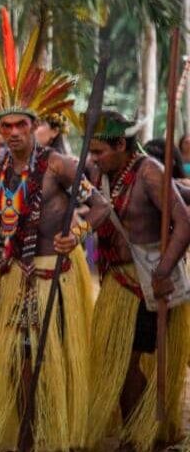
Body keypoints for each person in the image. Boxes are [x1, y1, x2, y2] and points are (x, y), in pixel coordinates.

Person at [0, 8, 110, 451]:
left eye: (22, 124)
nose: (14, 132)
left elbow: (101, 206)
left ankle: (45, 430)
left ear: (35, 125)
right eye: (6, 126)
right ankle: (23, 426)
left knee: (49, 358)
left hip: (53, 273)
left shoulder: (59, 166)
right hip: (12, 276)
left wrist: (77, 234)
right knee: (13, 359)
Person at [85, 111, 190, 451]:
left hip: (147, 284)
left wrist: (163, 272)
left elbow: (184, 222)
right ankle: (143, 432)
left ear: (121, 145)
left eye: (99, 151)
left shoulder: (149, 172)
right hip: (116, 282)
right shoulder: (103, 173)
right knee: (112, 361)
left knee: (124, 364)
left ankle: (141, 435)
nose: (93, 158)